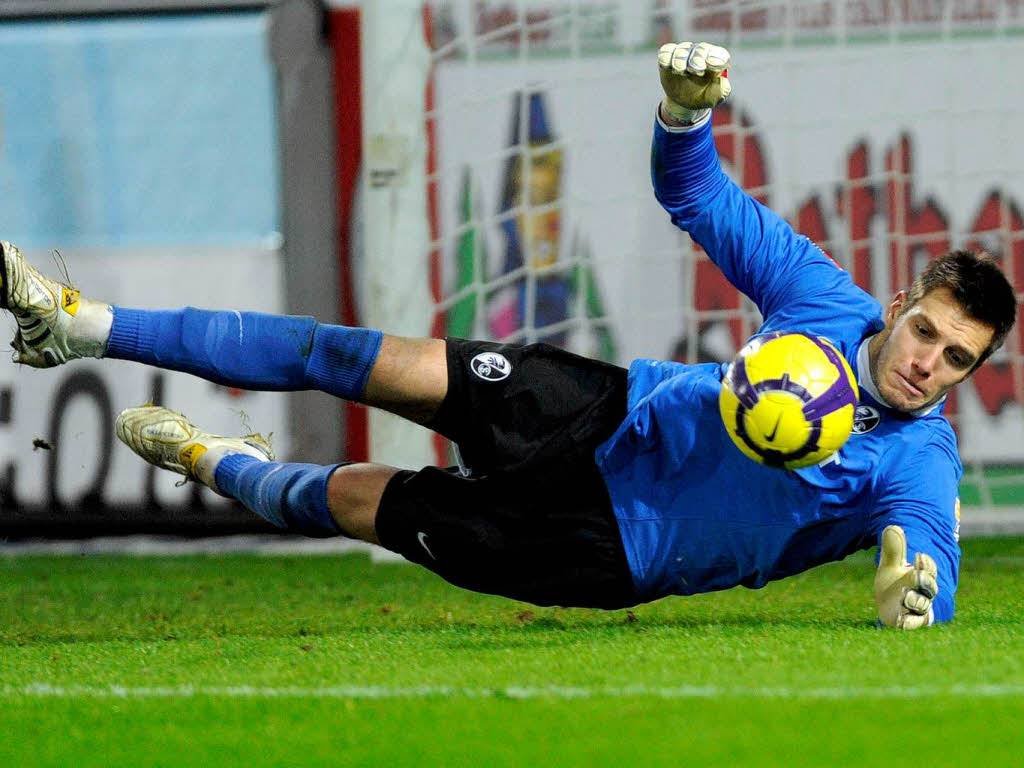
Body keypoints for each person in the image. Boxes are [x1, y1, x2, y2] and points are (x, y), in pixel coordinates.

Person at [1, 42, 1015, 629]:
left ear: (969, 373)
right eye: (926, 330)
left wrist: (906, 592)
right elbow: (695, 194)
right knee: (358, 356)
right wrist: (680, 114)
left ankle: (225, 467)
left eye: (955, 358)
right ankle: (83, 324)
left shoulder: (913, 458)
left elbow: (923, 557)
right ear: (896, 308)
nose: (927, 361)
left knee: (361, 499)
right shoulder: (821, 301)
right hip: (609, 411)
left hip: (610, 548)